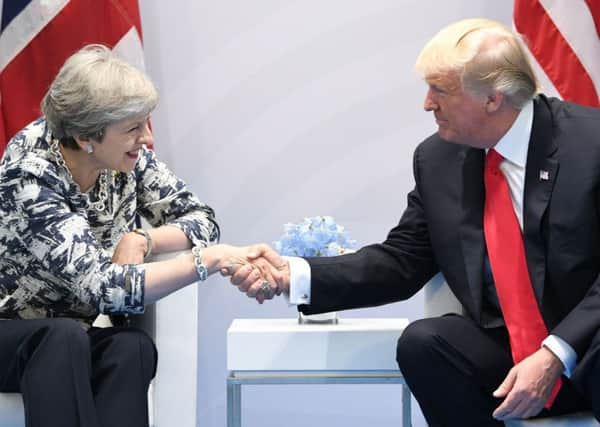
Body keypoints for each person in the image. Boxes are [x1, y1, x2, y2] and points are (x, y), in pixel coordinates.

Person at [229, 18, 600, 425]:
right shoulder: (439, 160)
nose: (427, 103)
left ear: (493, 99)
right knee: (424, 344)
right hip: (509, 351)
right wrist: (293, 274)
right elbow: (401, 261)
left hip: (585, 344)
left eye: (440, 90)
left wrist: (555, 352)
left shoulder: (589, 143)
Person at [0, 45, 278, 427]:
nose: (146, 139)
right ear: (86, 136)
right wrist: (208, 261)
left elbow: (202, 218)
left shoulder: (124, 158)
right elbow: (103, 288)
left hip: (70, 334)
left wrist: (142, 239)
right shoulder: (29, 175)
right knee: (61, 338)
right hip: (11, 333)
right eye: (133, 128)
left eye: (145, 123)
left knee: (131, 347)